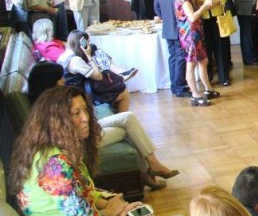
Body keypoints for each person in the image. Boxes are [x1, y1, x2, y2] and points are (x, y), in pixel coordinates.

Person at [9, 86, 178, 216]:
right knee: (145, 211)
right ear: (57, 120)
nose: (86, 118)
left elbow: (83, 191)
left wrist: (110, 202)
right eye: (76, 113)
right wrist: (113, 210)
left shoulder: (46, 152)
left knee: (133, 211)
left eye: (85, 110)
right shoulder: (56, 165)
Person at [27, 62, 178, 190]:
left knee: (128, 118)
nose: (64, 81)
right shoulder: (49, 107)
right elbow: (68, 135)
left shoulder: (52, 99)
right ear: (49, 83)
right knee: (127, 131)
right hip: (83, 139)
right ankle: (146, 172)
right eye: (60, 80)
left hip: (90, 128)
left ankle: (152, 166)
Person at [58, 30, 131, 113]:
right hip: (81, 94)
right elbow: (98, 76)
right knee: (123, 91)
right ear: (81, 45)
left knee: (115, 86)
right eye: (87, 43)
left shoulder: (63, 56)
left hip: (72, 91)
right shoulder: (76, 61)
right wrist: (88, 55)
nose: (89, 45)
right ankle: (122, 121)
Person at [175, 0, 220, 107]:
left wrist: (211, 1)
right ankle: (195, 95)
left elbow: (206, 3)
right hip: (189, 36)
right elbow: (192, 17)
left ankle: (208, 89)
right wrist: (204, 7)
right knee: (191, 65)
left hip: (196, 33)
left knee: (203, 60)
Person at [192, 0, 231, 86]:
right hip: (202, 19)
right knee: (206, 49)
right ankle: (207, 78)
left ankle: (224, 77)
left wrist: (217, 0)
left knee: (221, 47)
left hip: (218, 17)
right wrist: (203, 2)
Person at [154, 0, 191, 98]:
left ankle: (174, 85)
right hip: (181, 27)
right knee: (181, 57)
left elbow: (156, 8)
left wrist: (165, 17)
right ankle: (180, 87)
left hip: (167, 27)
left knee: (173, 57)